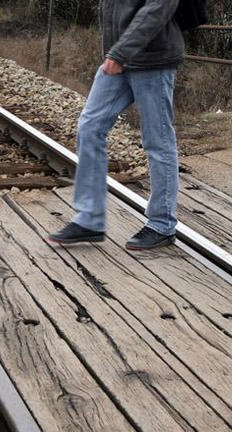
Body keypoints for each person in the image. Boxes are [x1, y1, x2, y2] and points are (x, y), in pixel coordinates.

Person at [48, 0, 184, 250]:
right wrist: (117, 52)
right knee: (90, 127)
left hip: (152, 61)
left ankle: (162, 224)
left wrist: (120, 52)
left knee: (158, 141)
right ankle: (89, 219)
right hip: (119, 58)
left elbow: (158, 7)